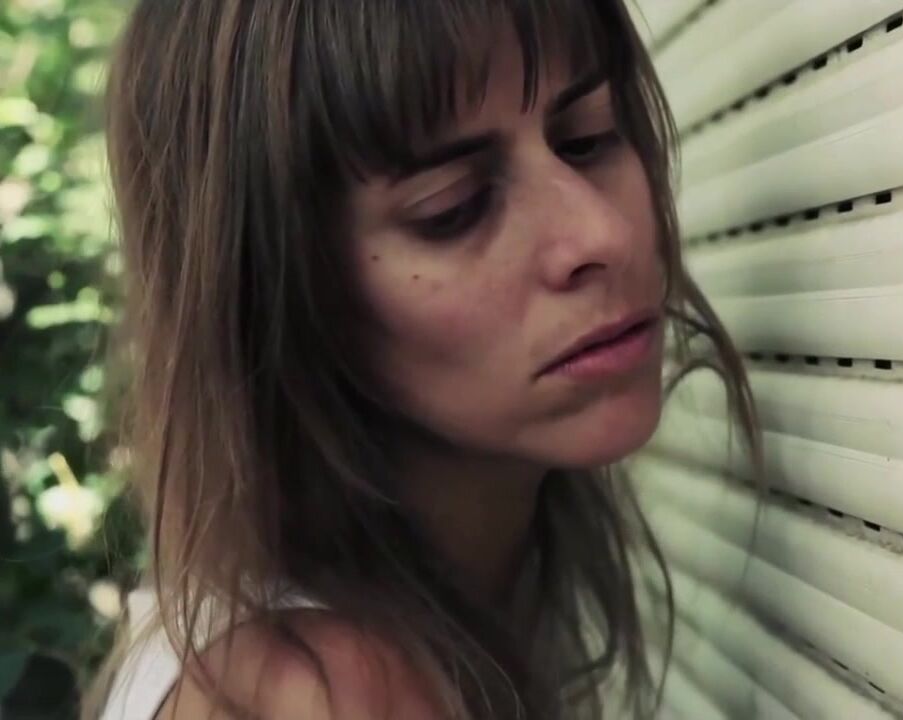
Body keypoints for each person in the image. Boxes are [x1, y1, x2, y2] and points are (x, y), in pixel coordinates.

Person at [85, 1, 757, 718]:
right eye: (453, 208)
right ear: (274, 301)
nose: (603, 233)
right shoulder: (326, 695)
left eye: (587, 139)